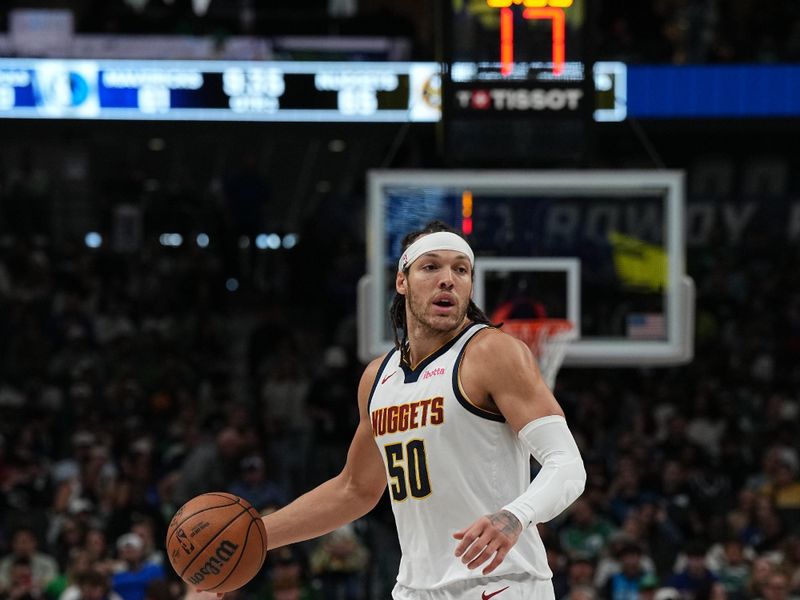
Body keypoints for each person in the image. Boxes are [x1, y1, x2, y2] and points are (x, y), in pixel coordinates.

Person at [261, 221, 587, 600]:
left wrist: (515, 515)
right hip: (416, 589)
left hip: (500, 583)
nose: (447, 279)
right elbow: (354, 489)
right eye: (431, 266)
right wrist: (253, 539)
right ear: (402, 281)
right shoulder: (378, 378)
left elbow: (567, 464)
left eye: (460, 269)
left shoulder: (492, 353)